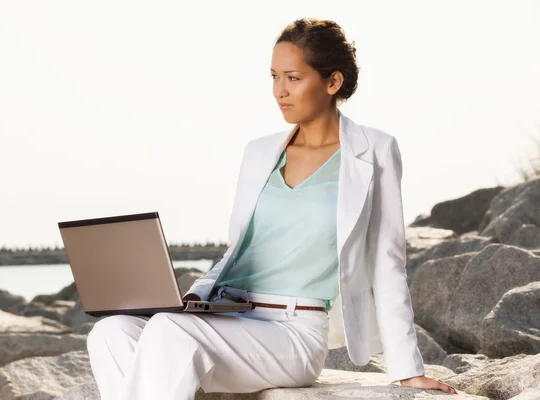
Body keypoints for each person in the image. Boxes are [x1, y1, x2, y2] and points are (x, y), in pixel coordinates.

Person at [86, 17, 458, 399]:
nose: (280, 91)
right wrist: (194, 298)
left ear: (333, 82)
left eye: (293, 78)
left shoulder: (373, 151)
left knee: (167, 329)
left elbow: (387, 260)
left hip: (293, 332)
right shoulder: (259, 152)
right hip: (228, 313)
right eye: (274, 77)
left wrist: (408, 370)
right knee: (110, 331)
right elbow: (241, 249)